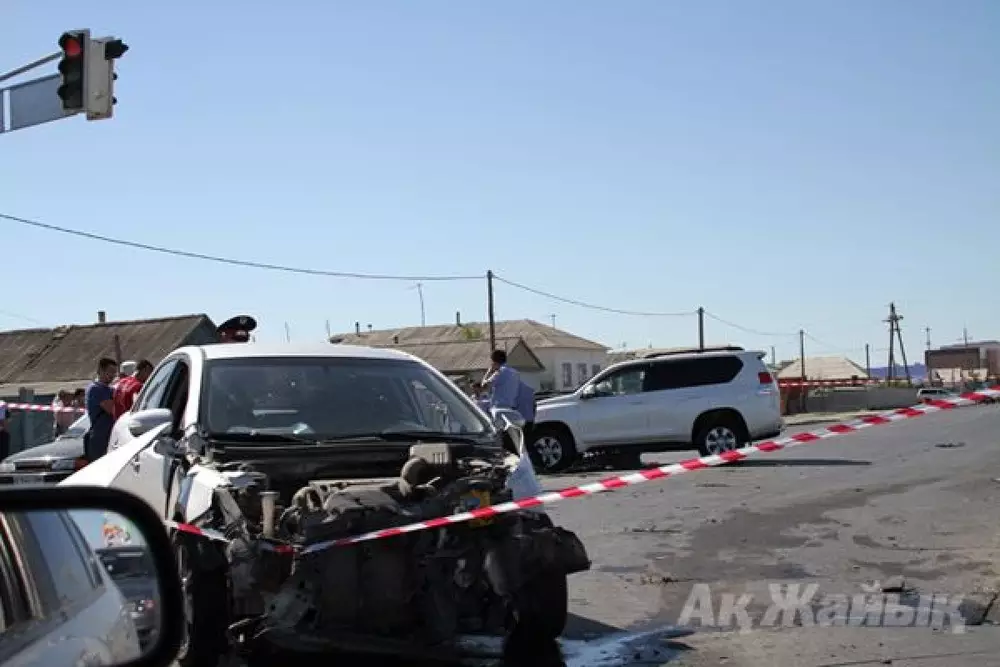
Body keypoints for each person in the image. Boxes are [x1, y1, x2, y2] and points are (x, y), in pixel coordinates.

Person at [84, 358, 118, 463]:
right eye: (110, 371)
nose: (113, 375)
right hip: (100, 437)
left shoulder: (109, 389)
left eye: (114, 372)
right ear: (100, 371)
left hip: (110, 435)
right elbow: (112, 410)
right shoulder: (96, 389)